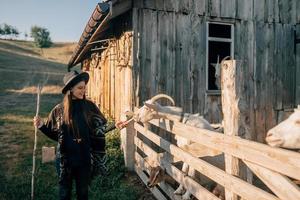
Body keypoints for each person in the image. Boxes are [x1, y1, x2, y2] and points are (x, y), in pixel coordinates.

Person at [33, 70, 128, 200]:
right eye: (80, 88)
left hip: (84, 158)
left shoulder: (89, 107)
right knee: (64, 193)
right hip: (64, 160)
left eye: (84, 87)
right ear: (70, 88)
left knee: (83, 194)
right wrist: (41, 126)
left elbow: (99, 129)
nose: (83, 91)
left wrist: (115, 126)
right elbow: (55, 135)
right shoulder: (59, 110)